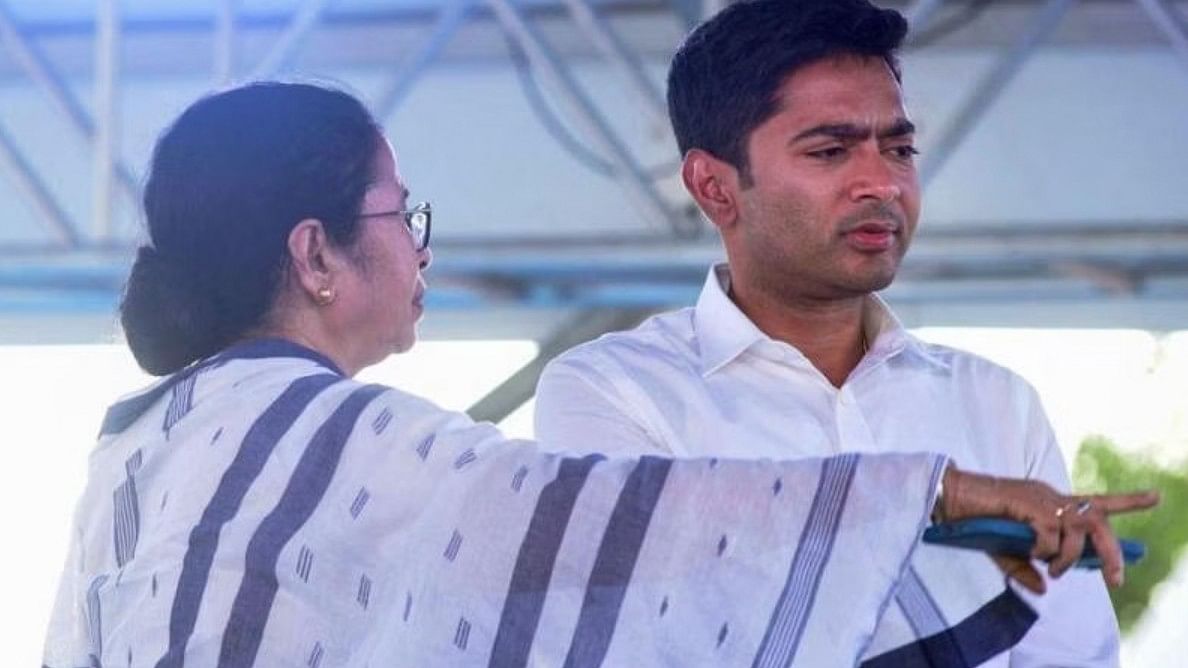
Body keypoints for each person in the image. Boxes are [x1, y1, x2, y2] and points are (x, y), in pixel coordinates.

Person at [42, 83, 1153, 668]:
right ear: (315, 254)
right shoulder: (353, 439)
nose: (421, 247)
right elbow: (617, 526)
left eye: (895, 147)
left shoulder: (140, 448)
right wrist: (939, 492)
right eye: (400, 214)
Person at [534, 0, 1141, 665]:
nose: (882, 183)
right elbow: (647, 617)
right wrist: (932, 497)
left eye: (900, 148)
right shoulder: (614, 393)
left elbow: (1070, 655)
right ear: (714, 187)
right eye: (830, 151)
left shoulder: (995, 403)